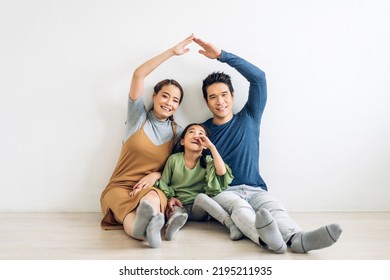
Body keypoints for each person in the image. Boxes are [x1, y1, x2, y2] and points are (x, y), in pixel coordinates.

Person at [193, 36, 343, 254]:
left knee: (274, 208)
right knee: (241, 209)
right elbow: (181, 162)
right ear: (207, 102)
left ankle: (298, 238)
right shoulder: (201, 131)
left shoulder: (249, 117)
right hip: (225, 192)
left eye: (224, 95)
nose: (220, 101)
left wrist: (221, 56)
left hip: (255, 188)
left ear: (233, 96)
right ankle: (265, 240)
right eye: (213, 97)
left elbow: (259, 78)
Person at [100, 34, 194, 248]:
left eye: (175, 100)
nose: (169, 102)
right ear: (154, 96)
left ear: (178, 106)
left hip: (151, 187)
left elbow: (175, 168)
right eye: (165, 96)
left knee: (151, 200)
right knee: (130, 213)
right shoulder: (137, 117)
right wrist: (172, 52)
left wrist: (156, 174)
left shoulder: (177, 133)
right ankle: (147, 228)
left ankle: (148, 229)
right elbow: (138, 75)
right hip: (119, 186)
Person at [156, 123, 242, 241]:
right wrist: (170, 198)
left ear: (204, 145)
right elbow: (164, 183)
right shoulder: (174, 160)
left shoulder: (207, 161)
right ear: (182, 141)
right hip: (180, 203)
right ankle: (172, 227)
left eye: (201, 134)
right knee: (175, 212)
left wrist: (212, 147)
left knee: (201, 197)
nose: (196, 136)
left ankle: (230, 224)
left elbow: (221, 172)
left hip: (199, 208)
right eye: (191, 132)